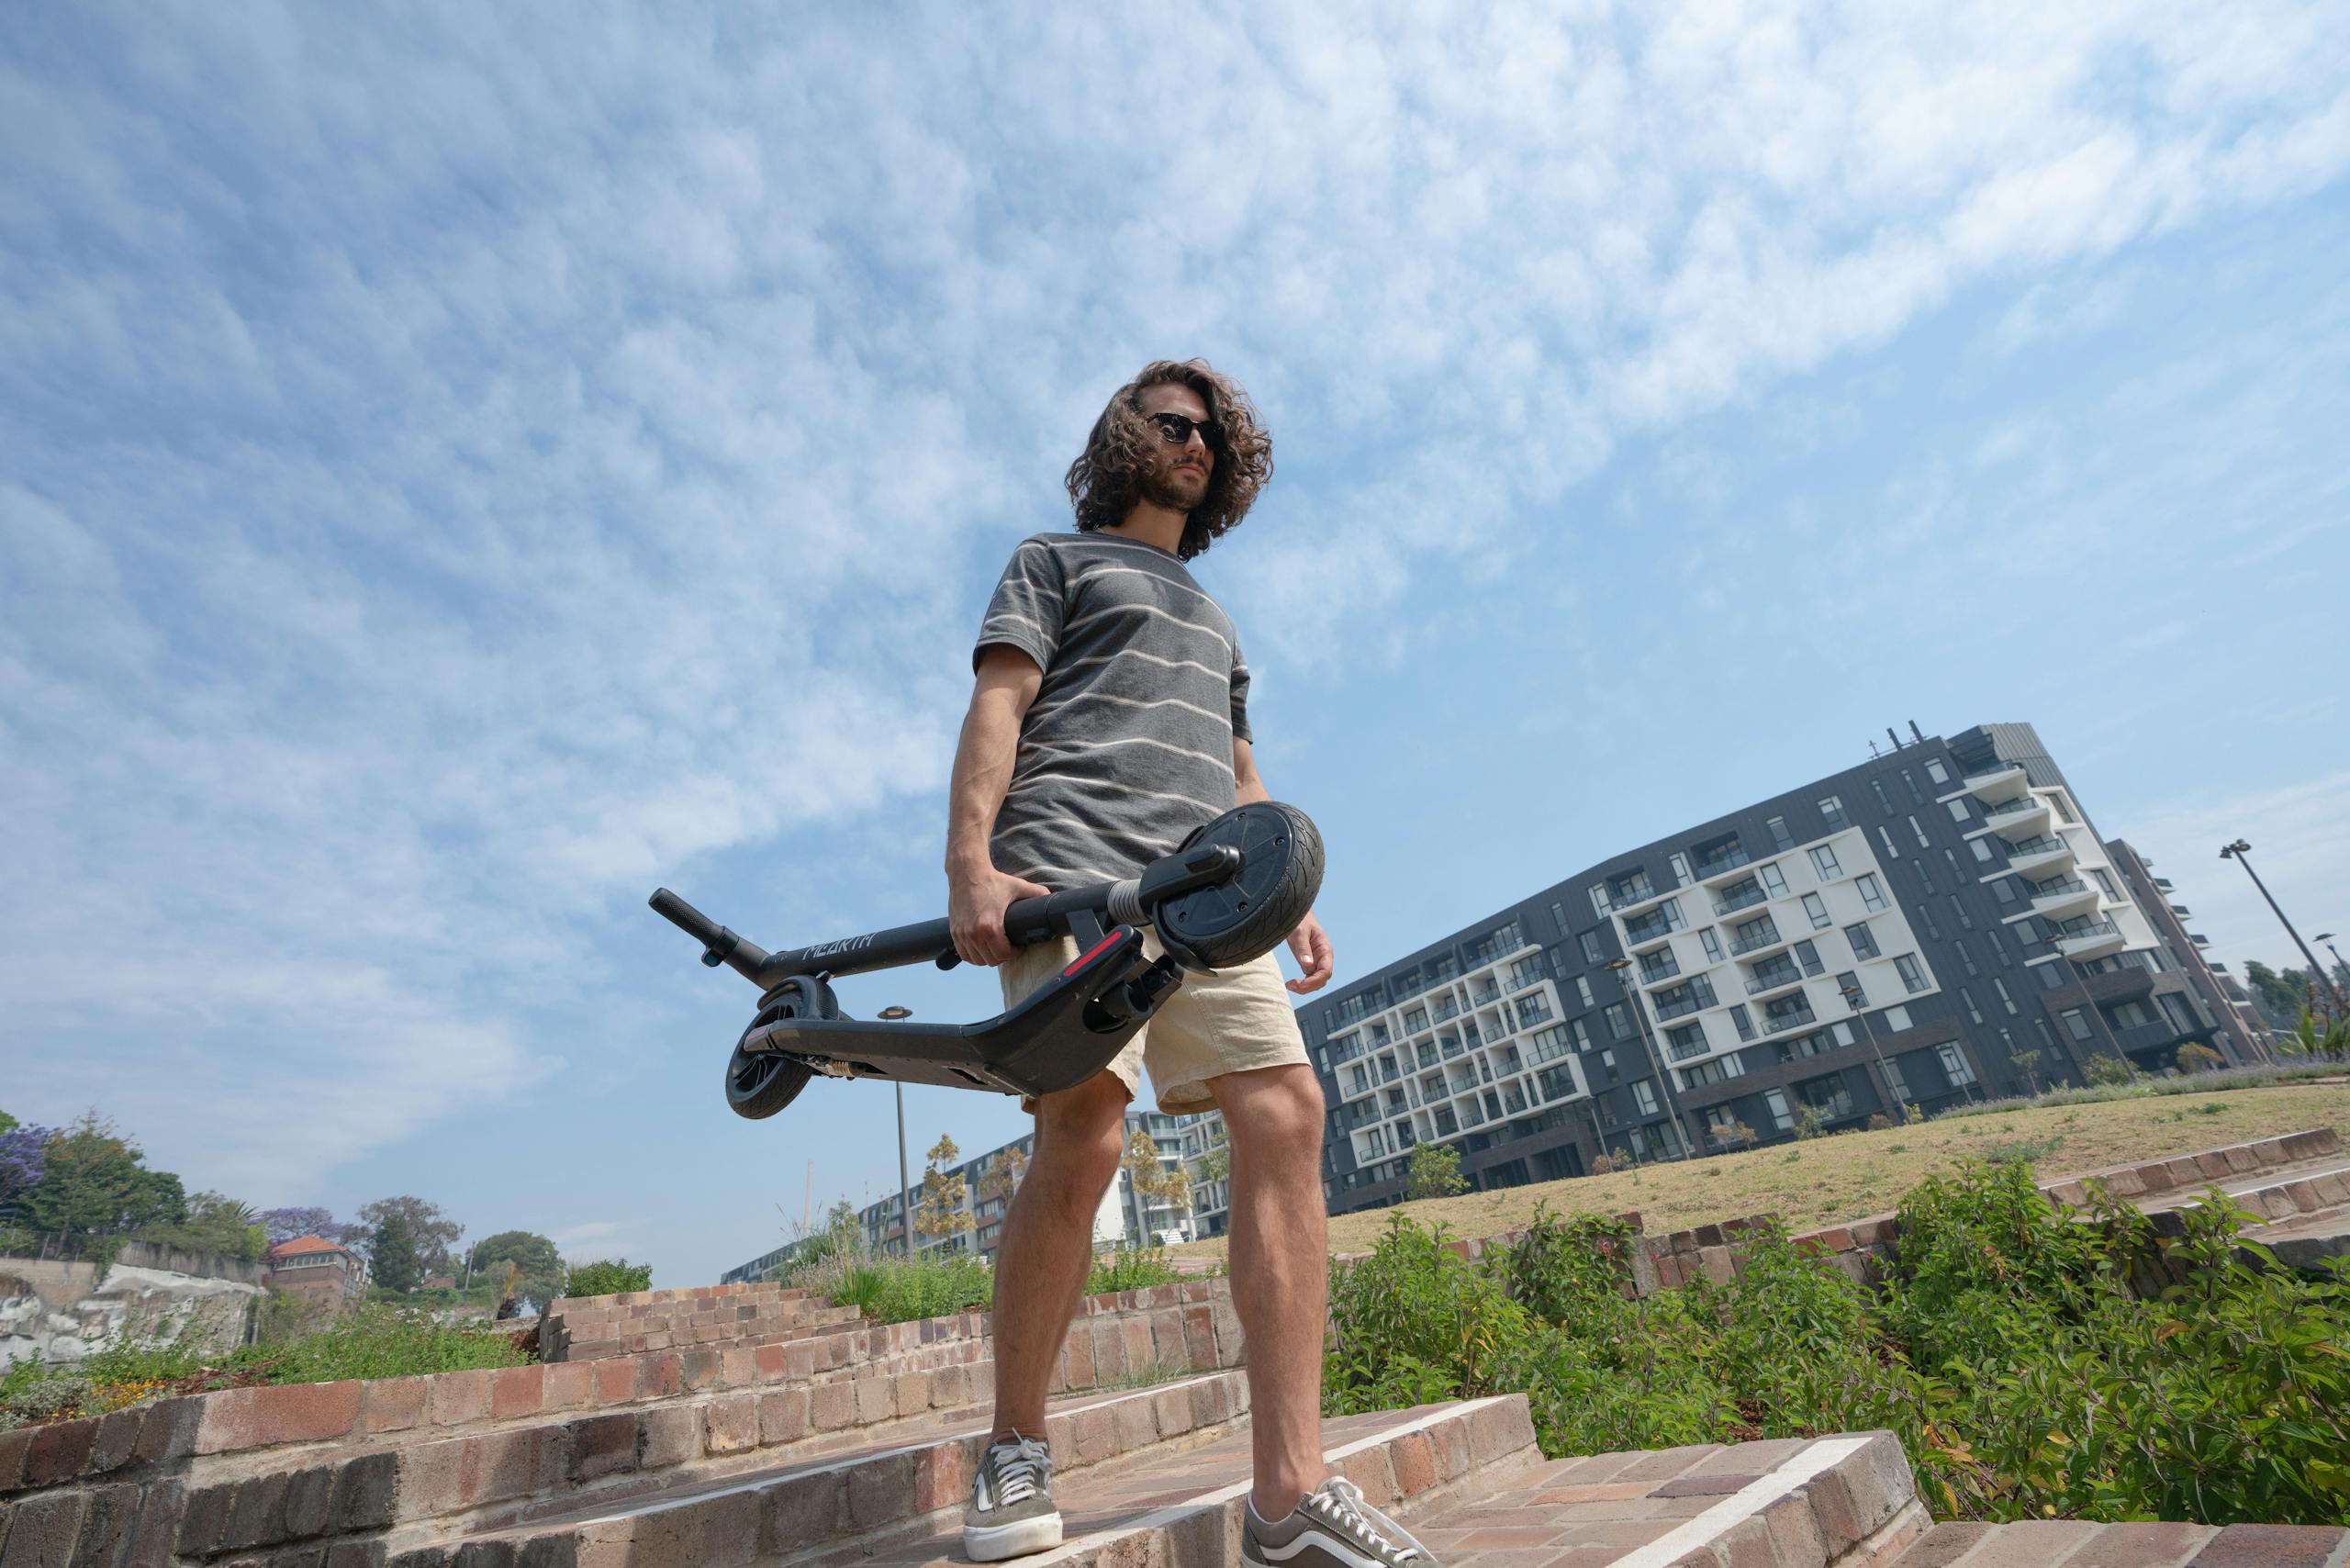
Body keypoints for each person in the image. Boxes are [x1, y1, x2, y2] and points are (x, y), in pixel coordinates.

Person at [946, 361, 1440, 1567]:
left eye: (1214, 437)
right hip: (1073, 872)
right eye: (1173, 425)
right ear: (1124, 438)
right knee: (1088, 1129)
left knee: (1286, 1110)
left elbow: (1241, 777)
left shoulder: (1218, 623)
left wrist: (1288, 888)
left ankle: (1288, 1495)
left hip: (1211, 898)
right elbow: (1001, 707)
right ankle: (1015, 1449)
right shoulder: (1051, 562)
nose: (1196, 446)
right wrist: (970, 867)